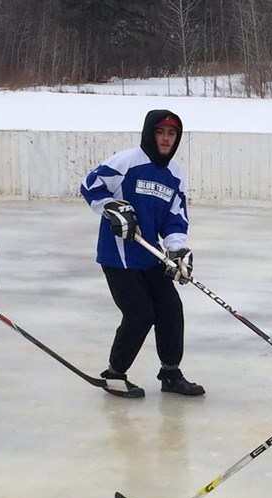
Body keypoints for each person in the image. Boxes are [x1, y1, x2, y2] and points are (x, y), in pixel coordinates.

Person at [79, 109, 204, 399]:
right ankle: (114, 375)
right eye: (160, 132)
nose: (165, 139)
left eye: (171, 134)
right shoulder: (127, 161)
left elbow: (175, 217)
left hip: (150, 256)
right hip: (118, 256)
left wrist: (177, 250)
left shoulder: (175, 174)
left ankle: (170, 373)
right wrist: (111, 207)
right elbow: (90, 185)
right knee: (139, 314)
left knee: (171, 310)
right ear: (150, 133)